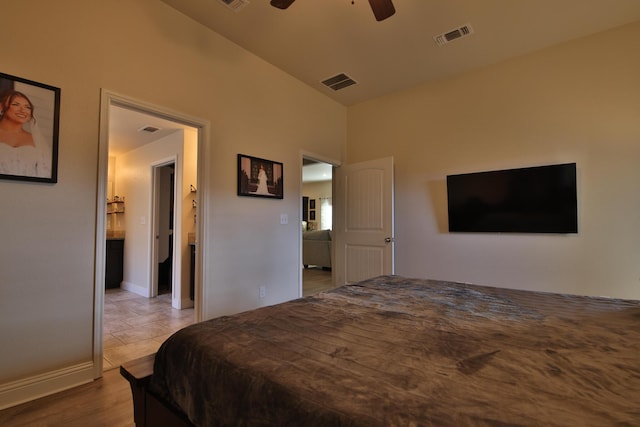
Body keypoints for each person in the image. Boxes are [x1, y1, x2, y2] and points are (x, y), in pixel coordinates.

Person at [0, 90, 50, 178]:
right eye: (15, 105)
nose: (22, 110)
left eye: (27, 107)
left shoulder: (35, 139)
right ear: (1, 107)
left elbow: (45, 172)